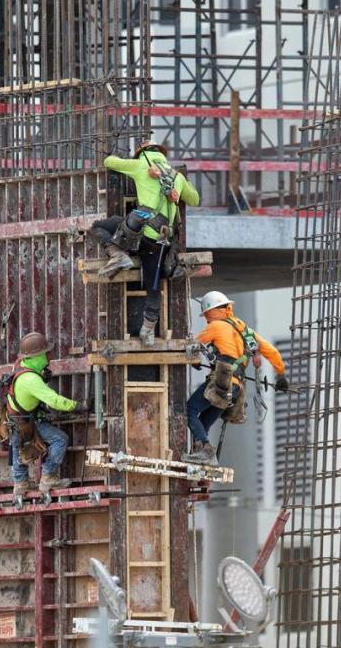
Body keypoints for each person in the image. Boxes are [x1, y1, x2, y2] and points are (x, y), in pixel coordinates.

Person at [89, 141, 200, 347]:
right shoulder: (177, 176)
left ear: (142, 153)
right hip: (161, 242)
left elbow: (108, 161)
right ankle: (147, 332)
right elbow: (194, 199)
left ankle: (118, 254)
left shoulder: (140, 165)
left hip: (140, 234)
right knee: (153, 287)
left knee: (99, 227)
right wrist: (181, 188)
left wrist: (114, 151)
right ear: (162, 154)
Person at [184, 291, 288, 466]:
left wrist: (193, 359)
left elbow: (191, 345)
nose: (207, 320)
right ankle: (202, 454)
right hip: (236, 389)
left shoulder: (216, 326)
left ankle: (207, 452)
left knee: (190, 410)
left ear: (211, 311)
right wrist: (281, 374)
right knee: (202, 421)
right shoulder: (244, 330)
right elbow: (272, 351)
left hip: (221, 382)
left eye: (207, 315)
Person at [3, 332, 85, 494]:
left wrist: (41, 375)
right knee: (60, 439)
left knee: (16, 445)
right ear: (38, 356)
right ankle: (48, 478)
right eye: (46, 353)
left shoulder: (20, 366)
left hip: (14, 420)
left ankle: (20, 483)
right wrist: (78, 406)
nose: (49, 356)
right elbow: (54, 401)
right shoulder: (31, 380)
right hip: (25, 423)